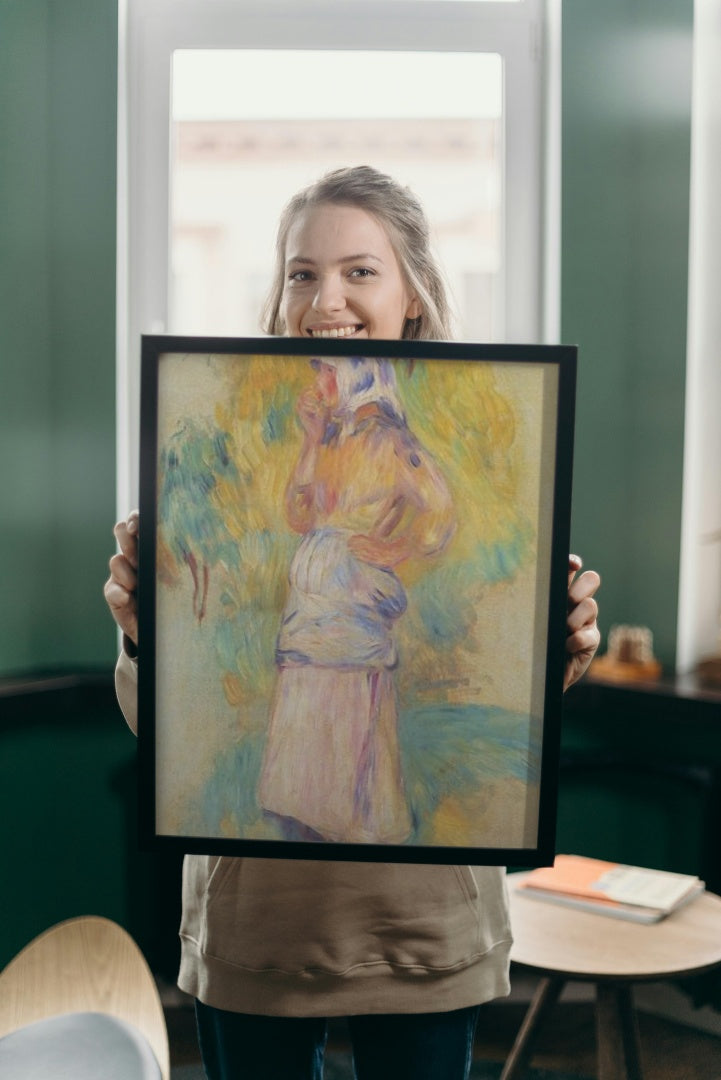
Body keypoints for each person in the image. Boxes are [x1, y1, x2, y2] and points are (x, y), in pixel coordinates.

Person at [105, 166, 601, 1080]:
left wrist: (555, 650)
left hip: (420, 926)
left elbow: (437, 532)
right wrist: (144, 634)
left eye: (359, 271)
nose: (324, 297)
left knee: (358, 768)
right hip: (256, 929)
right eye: (301, 272)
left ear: (412, 293)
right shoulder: (235, 420)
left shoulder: (441, 427)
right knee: (304, 774)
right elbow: (159, 727)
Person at [258, 354, 455, 845]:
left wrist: (397, 548)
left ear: (357, 375)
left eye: (327, 370)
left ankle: (345, 832)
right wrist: (310, 436)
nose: (318, 381)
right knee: (306, 729)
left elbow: (439, 510)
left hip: (351, 604)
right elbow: (299, 514)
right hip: (311, 605)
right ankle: (310, 825)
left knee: (348, 724)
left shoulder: (390, 441)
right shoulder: (330, 437)